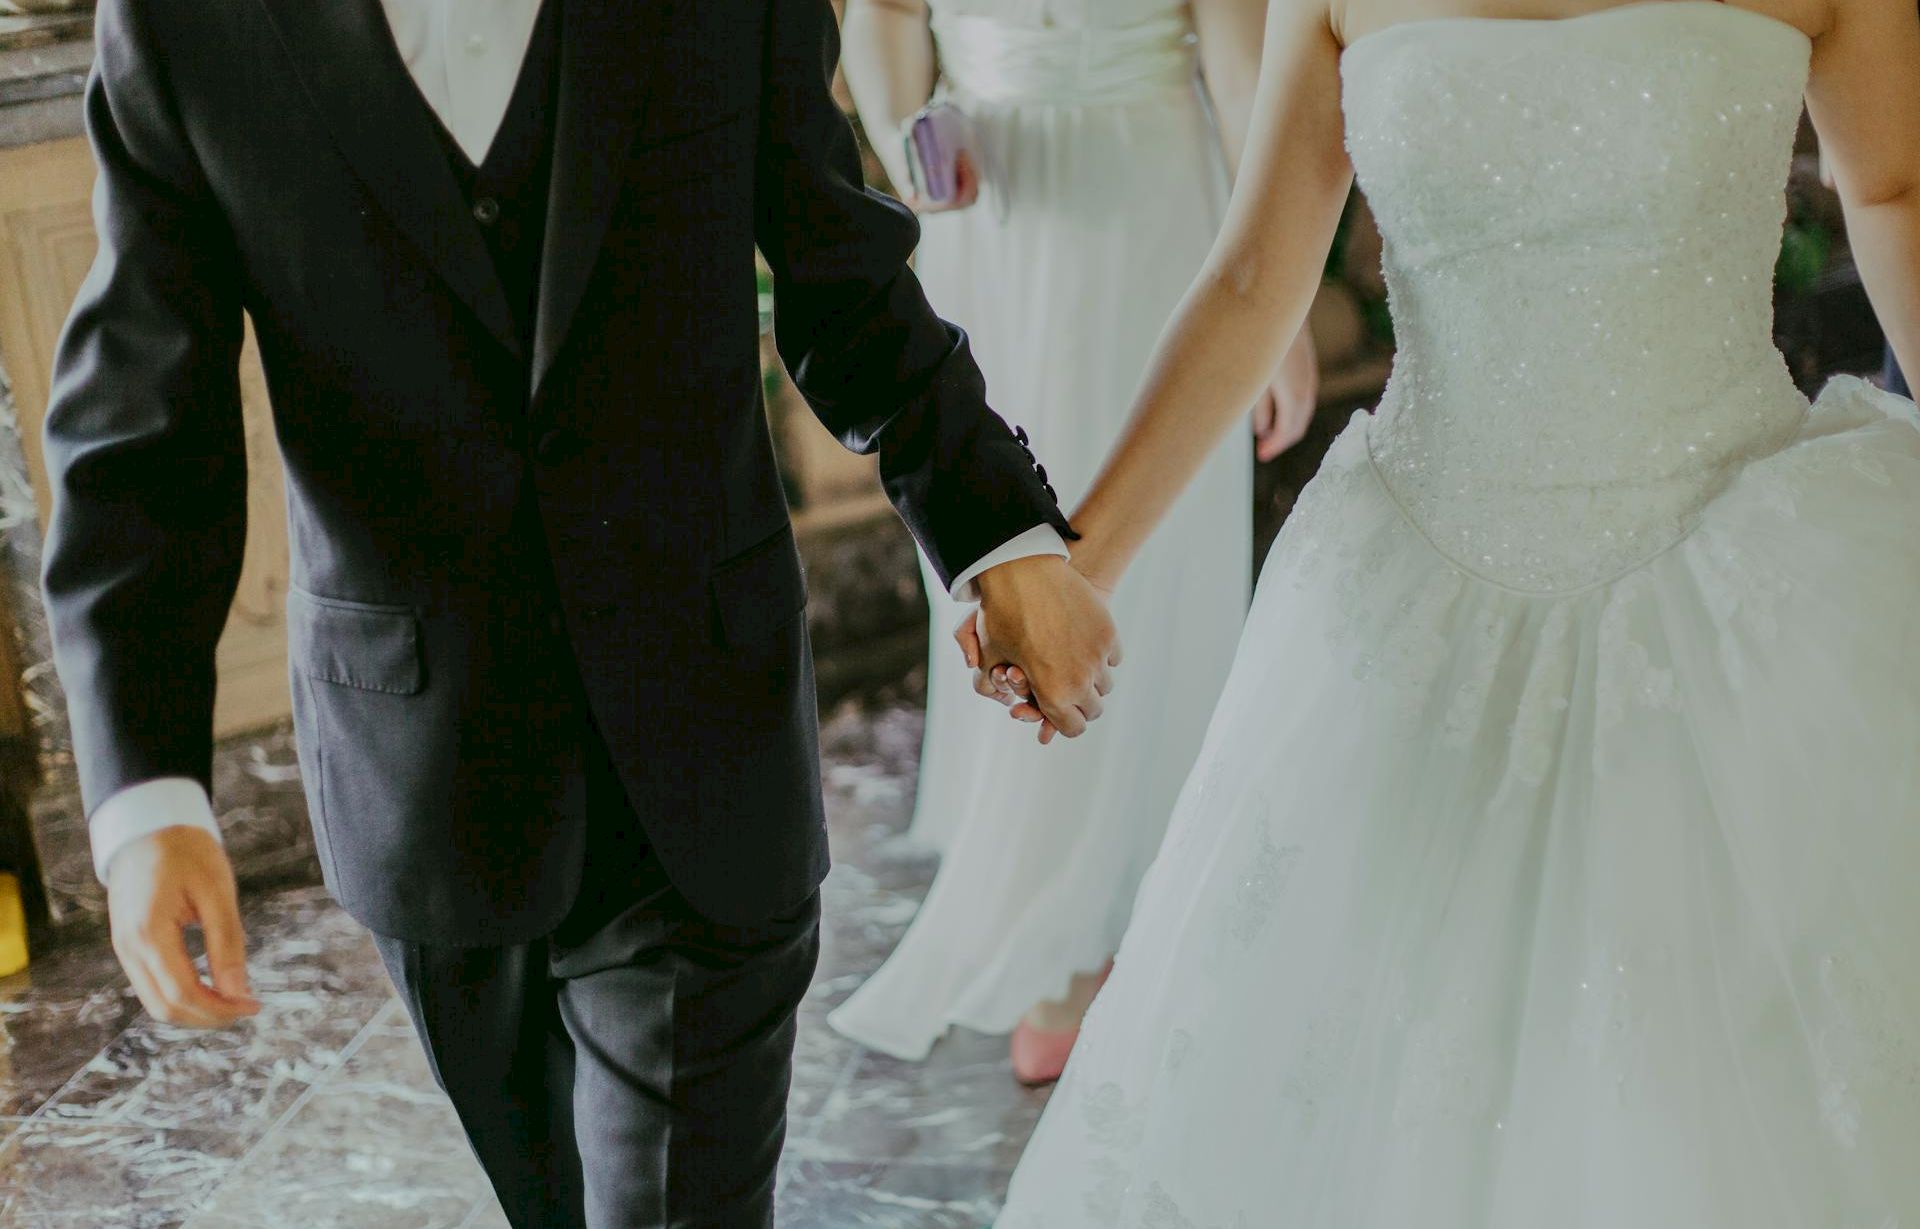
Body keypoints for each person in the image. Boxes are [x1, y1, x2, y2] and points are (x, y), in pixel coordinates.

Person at [36, 0, 1121, 1224]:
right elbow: (142, 430)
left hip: (703, 746)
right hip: (424, 777)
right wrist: (145, 796)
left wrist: (998, 536)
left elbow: (843, 275)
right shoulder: (188, 22)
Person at [983, 0, 1920, 1222]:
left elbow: (1896, 192)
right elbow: (1255, 272)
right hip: (1411, 605)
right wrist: (1075, 562)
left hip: (1743, 590)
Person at [827, 0, 1317, 1084]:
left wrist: (1271, 322)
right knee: (1000, 544)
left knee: (1153, 541)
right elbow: (888, 13)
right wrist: (919, 146)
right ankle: (1052, 908)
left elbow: (1244, 75)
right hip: (989, 220)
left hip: (1131, 224)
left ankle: (1124, 898)